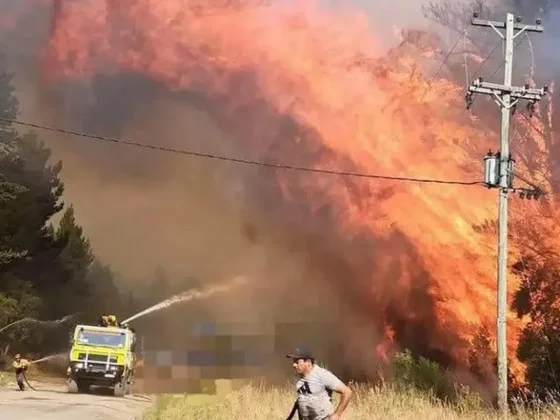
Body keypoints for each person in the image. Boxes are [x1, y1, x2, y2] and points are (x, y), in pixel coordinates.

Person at [286, 347, 352, 420]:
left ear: (308, 362)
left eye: (297, 362)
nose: (294, 365)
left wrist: (337, 414)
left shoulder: (322, 375)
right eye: (293, 362)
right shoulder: (298, 378)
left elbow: (347, 392)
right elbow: (301, 399)